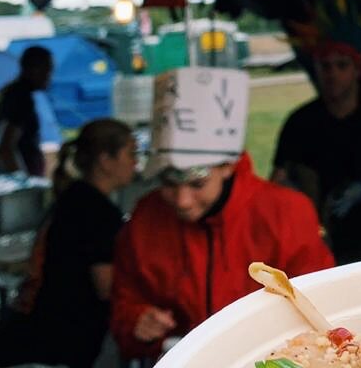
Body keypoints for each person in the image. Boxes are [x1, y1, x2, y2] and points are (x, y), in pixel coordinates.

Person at [110, 66, 334, 362]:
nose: (183, 200)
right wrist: (138, 321)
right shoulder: (146, 219)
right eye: (168, 184)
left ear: (227, 165)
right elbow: (124, 302)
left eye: (197, 184)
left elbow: (321, 306)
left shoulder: (285, 212)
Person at [0, 118, 138, 368]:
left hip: (29, 331)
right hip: (54, 342)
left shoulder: (73, 196)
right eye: (131, 154)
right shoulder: (99, 213)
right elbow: (106, 286)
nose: (135, 163)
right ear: (105, 160)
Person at [273, 39, 361, 264]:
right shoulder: (300, 122)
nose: (333, 74)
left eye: (341, 65)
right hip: (329, 237)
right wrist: (298, 203)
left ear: (357, 69)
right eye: (325, 66)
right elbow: (277, 180)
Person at [0, 45, 53, 177]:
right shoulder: (22, 98)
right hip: (27, 174)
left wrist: (1, 171)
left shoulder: (5, 93)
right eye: (48, 70)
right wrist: (23, 182)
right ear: (34, 69)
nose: (49, 77)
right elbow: (6, 146)